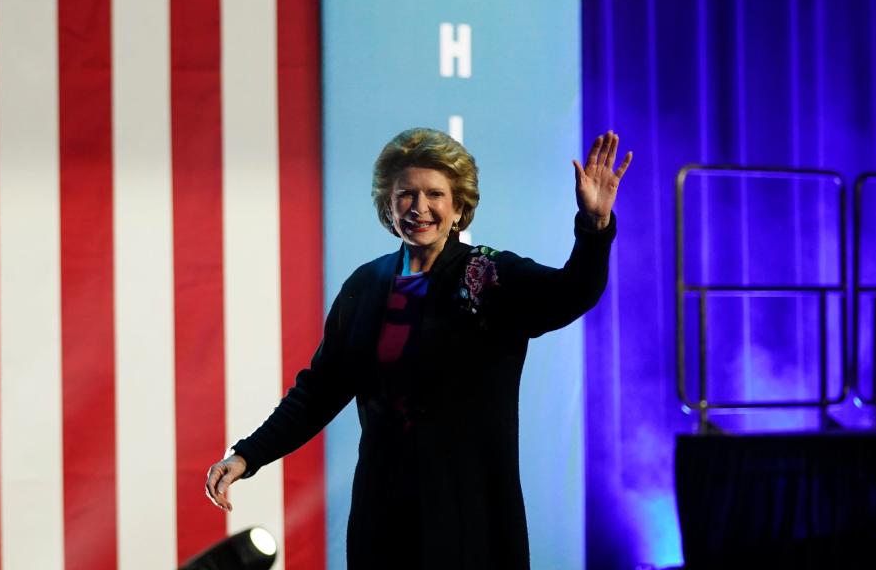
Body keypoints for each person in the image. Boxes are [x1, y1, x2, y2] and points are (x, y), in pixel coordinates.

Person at [205, 128, 632, 569]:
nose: (419, 207)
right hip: (383, 515)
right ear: (388, 206)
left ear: (459, 205)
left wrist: (594, 227)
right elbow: (319, 391)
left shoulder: (490, 274)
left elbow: (572, 293)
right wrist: (247, 455)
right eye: (405, 194)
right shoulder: (365, 285)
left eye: (435, 194)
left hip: (468, 515)